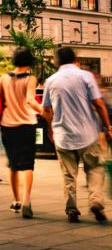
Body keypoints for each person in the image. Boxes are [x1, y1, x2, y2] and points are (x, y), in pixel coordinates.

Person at [43, 47, 110, 224]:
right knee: (95, 169)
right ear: (75, 59)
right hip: (88, 134)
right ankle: (95, 201)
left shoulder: (50, 81)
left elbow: (46, 110)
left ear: (56, 62)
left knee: (68, 174)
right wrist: (107, 126)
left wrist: (51, 129)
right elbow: (98, 104)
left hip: (63, 136)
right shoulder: (85, 76)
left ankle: (71, 209)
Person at [0, 48, 43, 219]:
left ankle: (16, 200)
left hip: (7, 125)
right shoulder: (31, 79)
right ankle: (26, 201)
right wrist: (43, 111)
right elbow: (31, 100)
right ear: (29, 62)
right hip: (26, 124)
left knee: (13, 163)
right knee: (28, 164)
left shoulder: (3, 78)